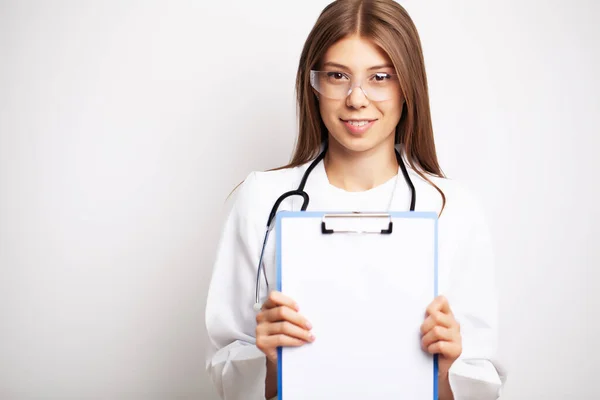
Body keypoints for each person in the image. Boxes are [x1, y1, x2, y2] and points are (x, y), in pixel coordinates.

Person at [204, 0, 506, 399]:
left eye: (380, 77)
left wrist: (447, 371)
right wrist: (272, 362)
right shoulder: (263, 200)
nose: (357, 98)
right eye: (337, 76)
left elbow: (481, 383)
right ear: (313, 85)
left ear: (408, 87)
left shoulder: (453, 208)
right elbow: (226, 374)